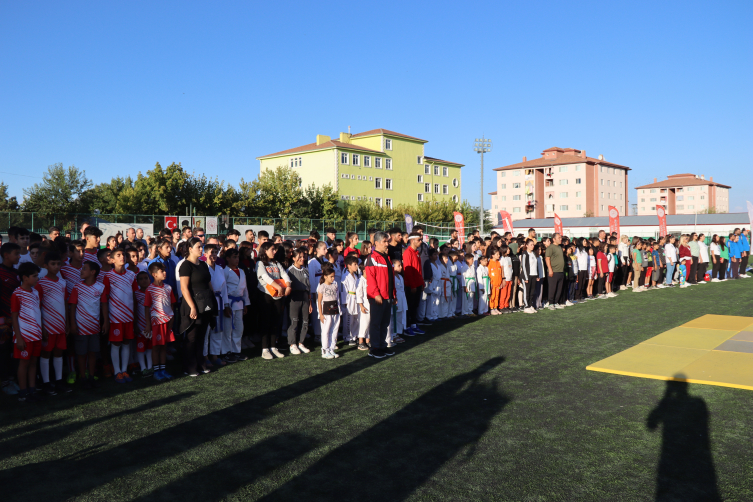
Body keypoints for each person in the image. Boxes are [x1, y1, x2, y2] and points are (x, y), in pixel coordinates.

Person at [179, 238, 216, 376]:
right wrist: (192, 307)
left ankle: (201, 363)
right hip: (193, 304)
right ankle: (189, 367)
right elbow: (184, 288)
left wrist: (212, 300)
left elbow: (209, 284)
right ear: (190, 249)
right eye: (198, 247)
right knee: (192, 337)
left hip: (205, 304)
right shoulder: (185, 265)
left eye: (202, 247)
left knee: (201, 336)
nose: (201, 249)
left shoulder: (203, 264)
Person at [36, 252, 71, 395]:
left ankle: (58, 381)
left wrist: (67, 323)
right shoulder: (40, 284)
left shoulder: (63, 282)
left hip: (61, 326)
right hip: (48, 326)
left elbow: (65, 303)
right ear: (46, 265)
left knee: (58, 353)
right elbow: (37, 306)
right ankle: (46, 383)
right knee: (46, 354)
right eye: (53, 264)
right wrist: (42, 326)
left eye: (58, 264)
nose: (56, 267)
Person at [68, 261, 107, 389]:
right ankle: (83, 378)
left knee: (92, 353)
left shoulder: (100, 287)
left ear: (92, 272)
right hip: (80, 327)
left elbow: (104, 305)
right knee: (81, 354)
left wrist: (106, 322)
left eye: (84, 268)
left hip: (94, 327)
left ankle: (91, 376)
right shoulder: (77, 287)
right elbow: (72, 306)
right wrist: (72, 324)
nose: (81, 270)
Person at [103, 249, 138, 384]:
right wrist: (106, 319)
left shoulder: (131, 275)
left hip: (129, 316)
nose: (122, 257)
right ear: (112, 260)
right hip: (115, 317)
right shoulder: (108, 276)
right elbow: (105, 298)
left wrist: (134, 315)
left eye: (123, 255)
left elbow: (134, 296)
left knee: (126, 343)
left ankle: (124, 370)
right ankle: (117, 371)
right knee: (116, 343)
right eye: (118, 255)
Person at [11, 263, 43, 401]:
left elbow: (37, 313)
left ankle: (32, 390)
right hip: (24, 336)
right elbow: (14, 316)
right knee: (24, 363)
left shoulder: (35, 292)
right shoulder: (17, 294)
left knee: (33, 362)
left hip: (37, 335)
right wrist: (18, 337)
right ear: (25, 277)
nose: (37, 278)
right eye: (34, 276)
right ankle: (23, 392)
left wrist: (42, 330)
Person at [256, 241, 291, 360]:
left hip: (278, 296)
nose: (274, 251)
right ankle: (265, 349)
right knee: (266, 322)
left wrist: (288, 286)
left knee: (275, 322)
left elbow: (284, 275)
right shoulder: (260, 263)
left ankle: (273, 346)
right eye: (272, 249)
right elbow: (265, 277)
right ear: (265, 250)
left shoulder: (276, 263)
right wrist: (278, 287)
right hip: (266, 295)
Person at [364, 231, 395, 359]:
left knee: (384, 323)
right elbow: (370, 279)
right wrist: (376, 294)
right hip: (377, 297)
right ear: (376, 243)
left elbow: (391, 278)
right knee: (376, 323)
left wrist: (393, 294)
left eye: (387, 241)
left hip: (387, 296)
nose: (387, 244)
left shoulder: (387, 258)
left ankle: (382, 346)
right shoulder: (371, 258)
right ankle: (375, 348)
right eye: (384, 241)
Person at [144, 262, 177, 380]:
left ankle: (163, 370)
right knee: (156, 347)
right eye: (161, 271)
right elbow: (147, 308)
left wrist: (171, 318)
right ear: (154, 275)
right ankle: (156, 371)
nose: (164, 273)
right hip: (156, 322)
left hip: (167, 321)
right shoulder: (150, 289)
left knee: (164, 346)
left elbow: (172, 305)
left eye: (164, 270)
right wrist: (148, 325)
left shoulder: (168, 288)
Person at [221, 248, 250, 362]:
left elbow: (245, 289)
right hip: (229, 302)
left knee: (239, 328)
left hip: (239, 303)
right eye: (234, 257)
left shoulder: (241, 271)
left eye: (237, 257)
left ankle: (236, 351)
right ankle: (226, 352)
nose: (237, 259)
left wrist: (246, 303)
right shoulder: (225, 271)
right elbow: (223, 290)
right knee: (228, 329)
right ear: (227, 258)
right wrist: (226, 305)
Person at [286, 247, 312, 355]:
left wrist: (310, 302)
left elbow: (308, 287)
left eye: (303, 256)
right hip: (294, 298)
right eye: (299, 257)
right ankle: (292, 344)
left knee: (305, 321)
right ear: (293, 258)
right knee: (294, 321)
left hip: (305, 297)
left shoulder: (305, 270)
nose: (302, 258)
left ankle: (301, 343)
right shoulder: (290, 270)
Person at [317, 263, 341, 360]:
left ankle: (331, 349)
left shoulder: (335, 286)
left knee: (334, 330)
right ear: (325, 276)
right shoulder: (322, 287)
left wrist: (339, 310)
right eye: (331, 277)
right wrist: (321, 314)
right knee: (326, 331)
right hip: (326, 312)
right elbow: (319, 301)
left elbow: (337, 299)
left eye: (334, 276)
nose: (333, 278)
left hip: (335, 311)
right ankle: (325, 350)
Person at [402, 232, 424, 335]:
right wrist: (413, 285)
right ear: (412, 241)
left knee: (415, 305)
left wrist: (421, 282)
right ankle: (407, 327)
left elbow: (419, 269)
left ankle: (413, 325)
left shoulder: (416, 252)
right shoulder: (408, 253)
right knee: (409, 306)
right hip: (411, 285)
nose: (421, 241)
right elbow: (408, 271)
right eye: (419, 240)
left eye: (421, 239)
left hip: (417, 283)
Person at [133, 271, 154, 376]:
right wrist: (135, 324)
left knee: (150, 346)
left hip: (152, 324)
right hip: (140, 325)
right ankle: (143, 368)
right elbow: (134, 310)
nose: (144, 280)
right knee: (140, 347)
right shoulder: (136, 294)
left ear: (150, 279)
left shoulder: (153, 292)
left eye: (146, 278)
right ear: (137, 282)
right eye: (141, 279)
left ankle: (150, 366)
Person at [340, 254, 361, 346]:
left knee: (356, 319)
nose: (357, 266)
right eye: (355, 264)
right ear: (349, 265)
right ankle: (347, 337)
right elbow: (343, 290)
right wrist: (344, 302)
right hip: (349, 299)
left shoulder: (355, 276)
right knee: (349, 319)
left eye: (357, 264)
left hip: (356, 299)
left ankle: (354, 336)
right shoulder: (345, 276)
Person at [545, 233, 566, 309]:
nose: (561, 239)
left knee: (559, 288)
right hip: (554, 271)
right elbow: (547, 259)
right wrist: (550, 270)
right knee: (552, 288)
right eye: (559, 237)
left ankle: (556, 302)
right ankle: (551, 303)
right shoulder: (550, 248)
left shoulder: (559, 247)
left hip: (561, 271)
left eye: (560, 237)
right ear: (554, 239)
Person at [392, 258, 408, 339]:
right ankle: (393, 334)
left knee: (400, 316)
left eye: (401, 265)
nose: (401, 267)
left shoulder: (400, 277)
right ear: (393, 266)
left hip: (402, 298)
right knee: (395, 317)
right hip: (396, 299)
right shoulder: (392, 277)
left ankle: (398, 332)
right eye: (399, 266)